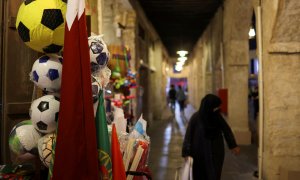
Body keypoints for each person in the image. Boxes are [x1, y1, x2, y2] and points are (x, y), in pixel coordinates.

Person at [182, 94, 240, 180]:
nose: (218, 109)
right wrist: (186, 152)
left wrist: (233, 145)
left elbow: (226, 130)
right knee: (199, 174)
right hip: (199, 152)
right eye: (216, 107)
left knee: (214, 173)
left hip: (216, 152)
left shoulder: (217, 117)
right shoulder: (196, 118)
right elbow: (188, 135)